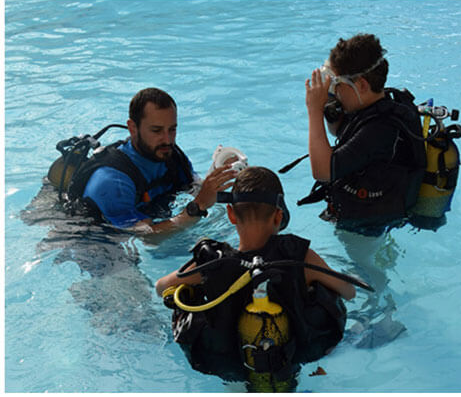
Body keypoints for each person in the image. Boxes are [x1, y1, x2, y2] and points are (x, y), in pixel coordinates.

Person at [155, 166, 356, 390]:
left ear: (231, 214)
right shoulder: (299, 257)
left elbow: (160, 287)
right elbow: (349, 291)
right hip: (290, 363)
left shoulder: (211, 263)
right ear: (279, 216)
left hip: (231, 369)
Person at [68, 87, 237, 241]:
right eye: (156, 130)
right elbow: (149, 238)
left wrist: (216, 176)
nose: (167, 139)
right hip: (92, 238)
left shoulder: (171, 155)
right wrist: (198, 206)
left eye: (172, 129)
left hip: (148, 220)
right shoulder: (112, 181)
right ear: (132, 128)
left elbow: (195, 189)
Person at [303, 33, 427, 237]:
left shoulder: (380, 129)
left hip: (368, 228)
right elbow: (338, 130)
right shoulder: (378, 104)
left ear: (361, 85)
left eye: (338, 84)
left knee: (359, 269)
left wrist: (313, 110)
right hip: (377, 212)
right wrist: (328, 102)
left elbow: (323, 171)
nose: (334, 90)